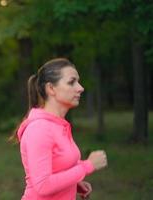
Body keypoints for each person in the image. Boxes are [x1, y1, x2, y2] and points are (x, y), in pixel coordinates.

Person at [10, 58, 108, 200]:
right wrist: (88, 166)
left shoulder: (58, 125)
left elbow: (58, 166)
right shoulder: (39, 129)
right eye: (71, 82)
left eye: (78, 81)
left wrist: (73, 184)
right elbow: (43, 185)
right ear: (51, 89)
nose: (80, 88)